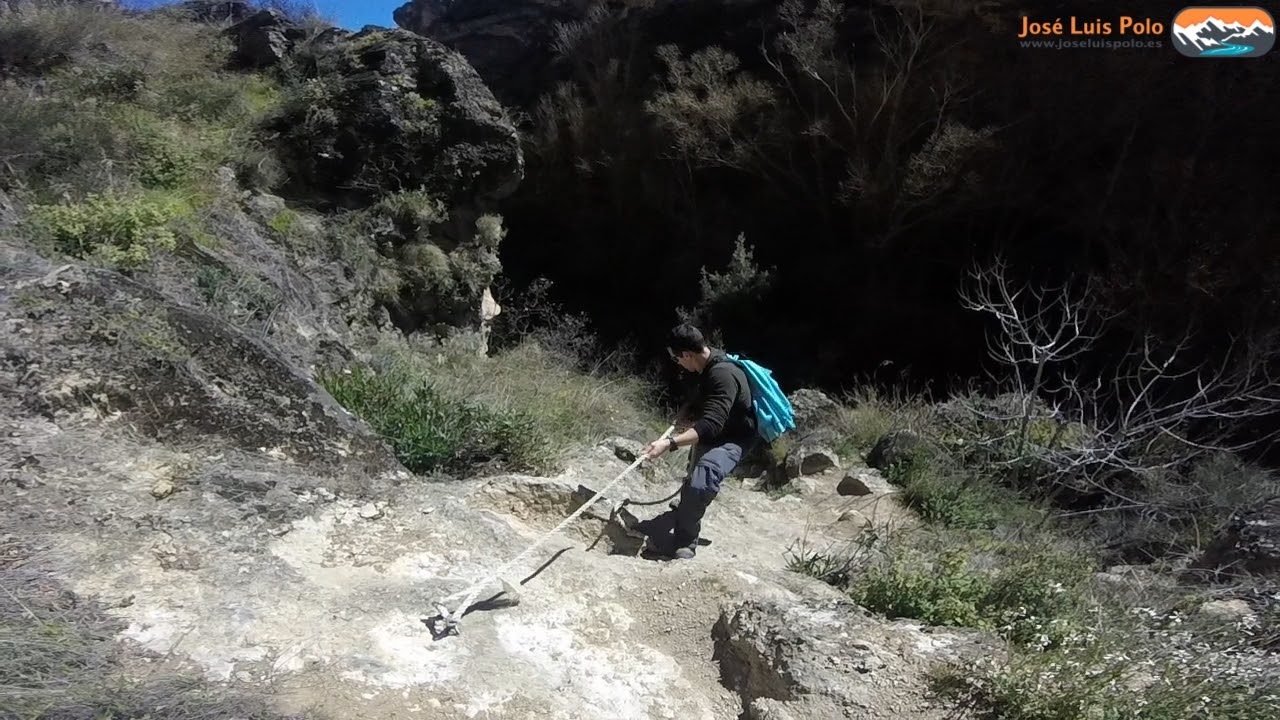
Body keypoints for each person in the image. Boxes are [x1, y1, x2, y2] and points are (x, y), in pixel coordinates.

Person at [640, 323, 757, 559]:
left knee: (700, 483)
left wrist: (669, 443)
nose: (677, 363)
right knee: (693, 481)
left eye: (676, 358)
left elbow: (711, 424)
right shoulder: (707, 364)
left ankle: (684, 542)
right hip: (717, 433)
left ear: (687, 354)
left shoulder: (723, 374)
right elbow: (706, 401)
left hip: (733, 439)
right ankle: (686, 512)